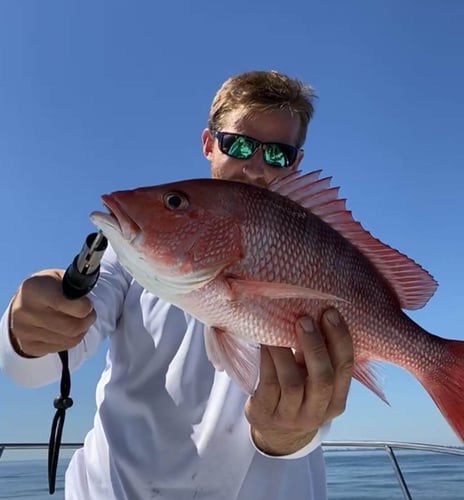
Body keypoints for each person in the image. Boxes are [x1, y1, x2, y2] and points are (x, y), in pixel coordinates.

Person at [0, 70, 354, 499]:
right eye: (239, 144)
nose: (256, 166)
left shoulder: (313, 253)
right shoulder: (129, 254)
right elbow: (44, 362)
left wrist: (289, 437)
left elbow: (321, 389)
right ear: (209, 144)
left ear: (296, 163)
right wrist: (27, 328)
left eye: (278, 154)